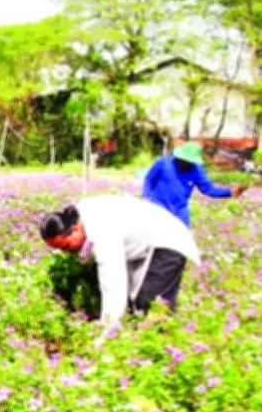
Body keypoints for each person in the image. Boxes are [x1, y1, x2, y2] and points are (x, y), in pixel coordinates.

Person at [40, 194, 201, 332]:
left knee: (150, 304)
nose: (65, 252)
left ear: (75, 229)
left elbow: (112, 285)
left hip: (168, 241)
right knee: (137, 304)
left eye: (66, 246)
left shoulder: (102, 231)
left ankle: (162, 347)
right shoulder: (79, 217)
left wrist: (107, 330)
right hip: (146, 247)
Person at [142, 141, 246, 227]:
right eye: (185, 160)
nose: (187, 163)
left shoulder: (196, 170)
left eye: (190, 161)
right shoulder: (163, 163)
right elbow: (149, 179)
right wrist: (146, 196)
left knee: (181, 240)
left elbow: (209, 189)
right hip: (158, 206)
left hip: (180, 210)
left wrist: (230, 192)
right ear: (179, 156)